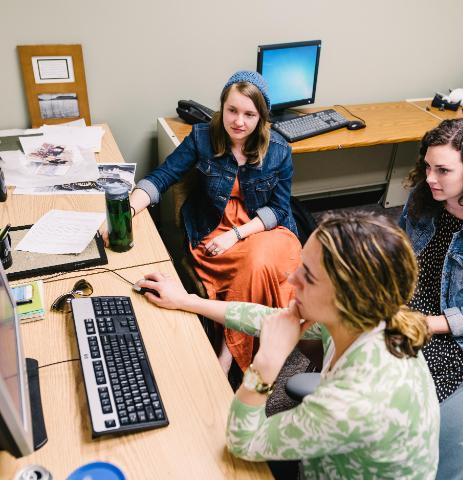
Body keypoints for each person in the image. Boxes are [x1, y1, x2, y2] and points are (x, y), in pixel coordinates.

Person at [136, 211, 440, 479]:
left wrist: (265, 365)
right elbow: (268, 318)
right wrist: (188, 301)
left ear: (347, 296)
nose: (292, 279)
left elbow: (243, 441)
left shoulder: (352, 401)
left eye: (307, 275)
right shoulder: (366, 318)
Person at [103, 71, 302, 374]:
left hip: (264, 229)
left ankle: (225, 357)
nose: (239, 121)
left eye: (249, 114)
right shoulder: (201, 137)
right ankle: (244, 349)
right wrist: (127, 210)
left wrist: (236, 235)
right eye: (232, 110)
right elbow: (162, 177)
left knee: (258, 261)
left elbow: (278, 209)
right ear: (223, 107)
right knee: (253, 268)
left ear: (261, 116)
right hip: (214, 228)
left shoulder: (278, 150)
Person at [400, 118, 463, 402]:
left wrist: (419, 323)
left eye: (443, 170)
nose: (430, 178)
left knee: (407, 392)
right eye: (428, 167)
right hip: (407, 301)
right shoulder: (422, 198)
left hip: (452, 327)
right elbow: (397, 251)